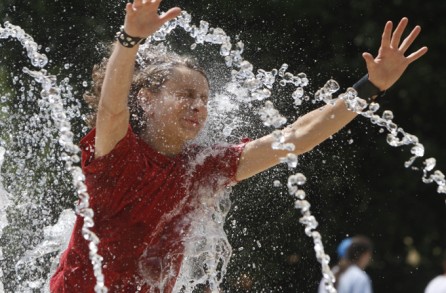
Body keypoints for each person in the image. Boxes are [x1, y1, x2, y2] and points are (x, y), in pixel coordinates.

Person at [49, 0, 428, 292]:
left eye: (204, 98)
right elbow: (111, 107)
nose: (199, 106)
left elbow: (295, 137)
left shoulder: (204, 168)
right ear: (146, 98)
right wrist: (130, 40)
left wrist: (369, 89)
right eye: (185, 95)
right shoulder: (117, 153)